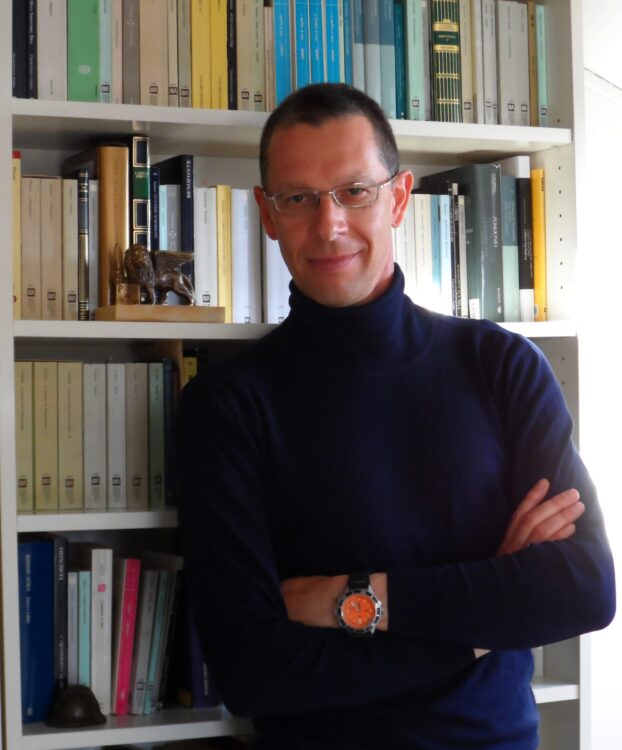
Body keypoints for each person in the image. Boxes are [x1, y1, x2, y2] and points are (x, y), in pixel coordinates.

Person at [176, 83, 615, 750]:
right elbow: (255, 674)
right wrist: (481, 628)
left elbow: (584, 588)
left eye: (355, 191)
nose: (329, 225)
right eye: (298, 198)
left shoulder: (501, 365)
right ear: (267, 214)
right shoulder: (225, 405)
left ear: (400, 198)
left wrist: (350, 599)